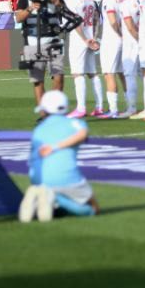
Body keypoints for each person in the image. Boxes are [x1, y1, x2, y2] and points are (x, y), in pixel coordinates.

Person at [18, 89, 98, 222]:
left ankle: (48, 202)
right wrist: (56, 147)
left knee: (55, 197)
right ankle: (57, 200)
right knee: (93, 208)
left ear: (45, 110)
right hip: (67, 177)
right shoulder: (75, 123)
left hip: (37, 179)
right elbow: (82, 134)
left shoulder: (39, 129)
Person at [62, 0, 103, 118]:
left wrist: (85, 39)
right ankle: (99, 107)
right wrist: (95, 37)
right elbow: (97, 19)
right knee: (92, 73)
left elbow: (75, 21)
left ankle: (81, 108)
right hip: (91, 37)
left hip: (80, 39)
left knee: (77, 73)